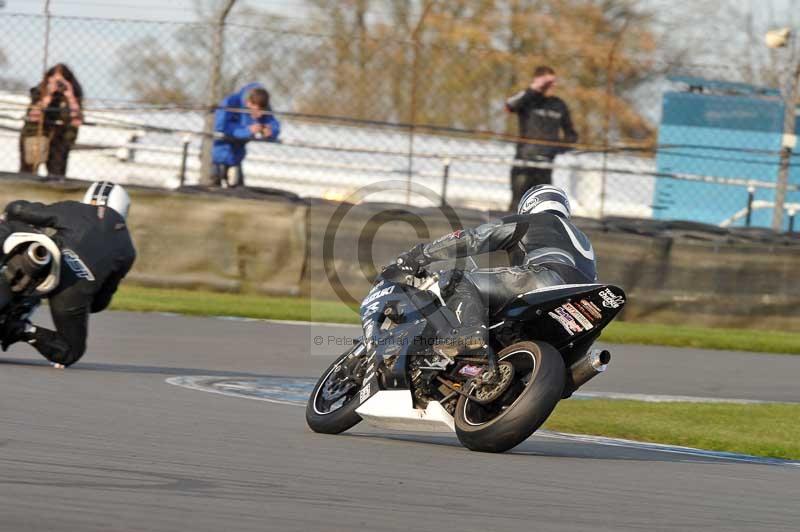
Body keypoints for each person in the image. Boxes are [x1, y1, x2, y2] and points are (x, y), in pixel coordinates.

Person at [396, 185, 595, 360]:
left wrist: (421, 254)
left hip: (547, 280)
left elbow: (475, 238)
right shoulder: (583, 239)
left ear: (530, 205)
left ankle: (470, 331)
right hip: (583, 303)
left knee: (457, 279)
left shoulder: (535, 220)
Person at [0, 181, 136, 368]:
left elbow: (18, 208)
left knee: (13, 224)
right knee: (70, 351)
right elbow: (99, 304)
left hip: (43, 260)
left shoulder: (75, 209)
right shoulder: (128, 250)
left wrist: (7, 216)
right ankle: (21, 329)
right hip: (72, 293)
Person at [505, 66, 578, 211]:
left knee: (541, 207)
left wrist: (555, 149)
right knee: (517, 205)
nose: (552, 86)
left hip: (545, 164)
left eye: (553, 82)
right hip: (524, 161)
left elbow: (571, 135)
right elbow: (509, 105)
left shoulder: (559, 105)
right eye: (547, 82)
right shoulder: (528, 100)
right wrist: (534, 88)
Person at [19, 63, 83, 178]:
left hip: (60, 138)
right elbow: (33, 116)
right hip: (35, 135)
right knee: (28, 172)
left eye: (62, 80)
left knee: (57, 175)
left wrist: (70, 96)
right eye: (54, 79)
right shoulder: (40, 91)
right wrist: (47, 95)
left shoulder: (72, 94)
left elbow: (76, 121)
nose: (58, 84)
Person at [211, 83, 281, 187]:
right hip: (216, 153)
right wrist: (247, 131)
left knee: (237, 190)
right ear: (248, 103)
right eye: (256, 110)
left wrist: (271, 131)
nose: (260, 115)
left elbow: (272, 123)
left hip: (236, 157)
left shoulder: (263, 105)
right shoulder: (231, 102)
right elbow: (220, 128)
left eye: (263, 111)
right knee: (212, 187)